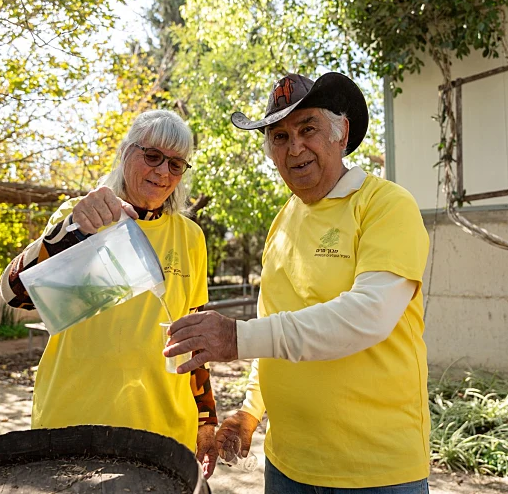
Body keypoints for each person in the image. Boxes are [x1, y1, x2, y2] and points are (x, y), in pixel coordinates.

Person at [164, 73, 430, 492]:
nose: (295, 147)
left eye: (308, 129)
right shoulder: (282, 222)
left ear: (341, 132)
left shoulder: (386, 205)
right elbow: (274, 323)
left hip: (375, 471)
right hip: (287, 466)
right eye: (280, 136)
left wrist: (236, 338)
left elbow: (368, 316)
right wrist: (251, 411)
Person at [0, 109, 219, 478]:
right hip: (75, 425)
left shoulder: (191, 236)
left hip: (167, 430)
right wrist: (71, 228)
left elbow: (194, 340)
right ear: (125, 153)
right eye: (152, 156)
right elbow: (13, 293)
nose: (163, 172)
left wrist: (206, 420)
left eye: (176, 164)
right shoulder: (86, 217)